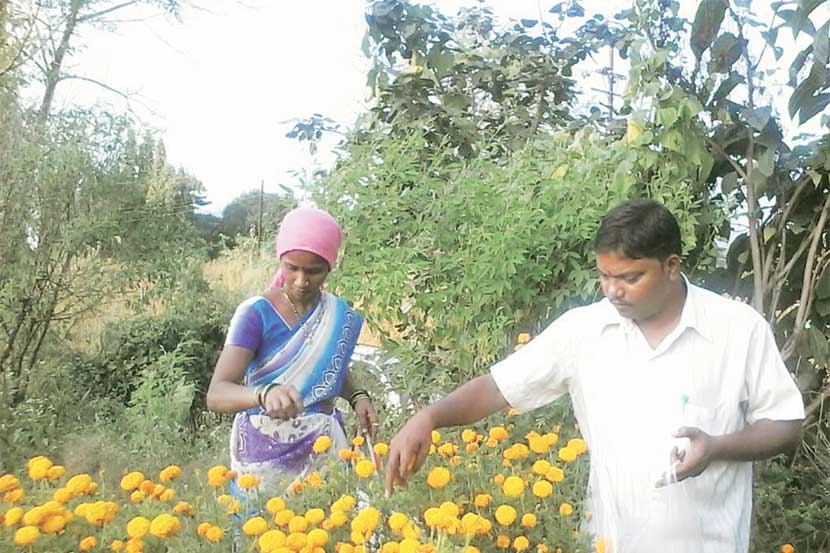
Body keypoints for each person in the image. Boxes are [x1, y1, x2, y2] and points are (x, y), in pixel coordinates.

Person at [384, 199, 804, 553]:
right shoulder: (582, 331)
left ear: (672, 266)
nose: (612, 290)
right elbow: (499, 387)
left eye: (629, 277)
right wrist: (429, 417)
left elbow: (784, 423)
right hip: (607, 542)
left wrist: (715, 447)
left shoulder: (737, 328)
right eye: (604, 276)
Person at [207, 206, 379, 492]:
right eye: (292, 268)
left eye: (314, 271)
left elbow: (329, 364)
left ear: (330, 267)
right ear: (280, 261)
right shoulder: (255, 314)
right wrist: (263, 394)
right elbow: (217, 394)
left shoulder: (336, 314)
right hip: (263, 460)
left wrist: (357, 396)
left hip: (323, 450)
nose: (301, 281)